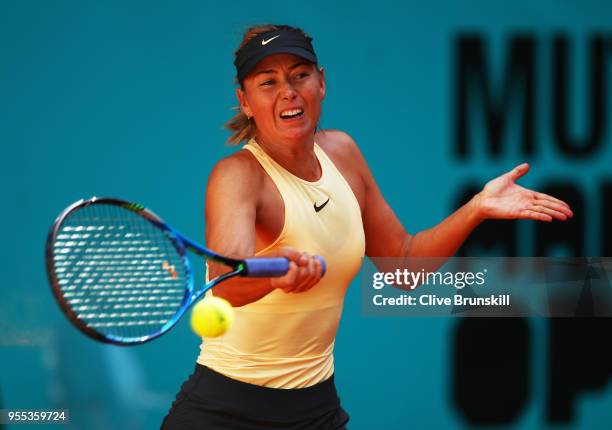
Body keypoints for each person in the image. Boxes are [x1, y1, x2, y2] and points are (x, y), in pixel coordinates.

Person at [161, 24, 572, 430]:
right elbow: (226, 280)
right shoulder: (237, 175)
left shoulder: (343, 152)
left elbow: (404, 266)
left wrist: (477, 208)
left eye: (299, 75)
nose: (288, 91)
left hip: (315, 407)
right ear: (245, 101)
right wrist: (275, 278)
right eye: (268, 82)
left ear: (321, 83)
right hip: (225, 410)